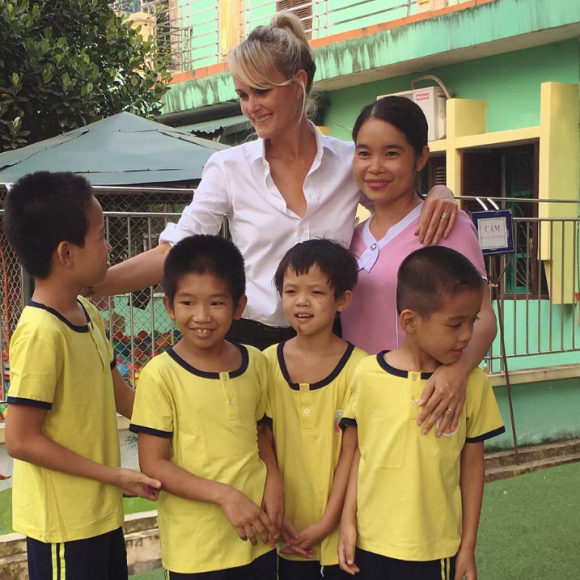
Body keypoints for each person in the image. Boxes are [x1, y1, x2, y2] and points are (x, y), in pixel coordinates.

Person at [91, 12, 458, 353]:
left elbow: (398, 207)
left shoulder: (349, 161)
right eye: (243, 95)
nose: (251, 106)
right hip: (248, 341)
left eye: (261, 91)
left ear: (298, 84)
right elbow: (175, 250)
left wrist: (441, 191)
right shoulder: (228, 166)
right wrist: (93, 284)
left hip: (329, 343)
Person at [3, 171, 160, 580]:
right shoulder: (40, 333)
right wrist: (115, 475)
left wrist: (184, 423)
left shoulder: (88, 314)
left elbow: (120, 395)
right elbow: (21, 440)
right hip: (64, 528)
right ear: (66, 253)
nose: (109, 248)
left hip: (101, 514)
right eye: (102, 236)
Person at [338, 246, 505, 580]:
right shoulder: (367, 374)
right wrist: (347, 521)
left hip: (436, 549)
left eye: (471, 322)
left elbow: (472, 466)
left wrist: (467, 546)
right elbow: (360, 452)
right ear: (410, 321)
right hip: (369, 545)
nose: (467, 336)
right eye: (455, 324)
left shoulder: (471, 384)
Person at [340, 96, 497, 436]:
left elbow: (483, 315)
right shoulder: (348, 237)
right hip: (356, 404)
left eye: (392, 153)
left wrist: (458, 371)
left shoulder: (447, 226)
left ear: (421, 157)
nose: (375, 167)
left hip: (423, 405)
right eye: (364, 153)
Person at [129, 235, 282, 579]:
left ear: (239, 306)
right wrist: (225, 496)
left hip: (257, 538)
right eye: (188, 302)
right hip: (195, 550)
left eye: (216, 303)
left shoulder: (256, 363)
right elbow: (153, 463)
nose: (202, 316)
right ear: (169, 306)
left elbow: (260, 433)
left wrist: (274, 482)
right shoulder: (159, 374)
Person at [263, 240, 367, 579]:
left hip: (340, 539)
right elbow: (261, 440)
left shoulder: (361, 369)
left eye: (316, 292)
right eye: (291, 290)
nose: (301, 302)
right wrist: (276, 513)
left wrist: (327, 522)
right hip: (279, 532)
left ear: (342, 300)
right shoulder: (264, 364)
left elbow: (353, 453)